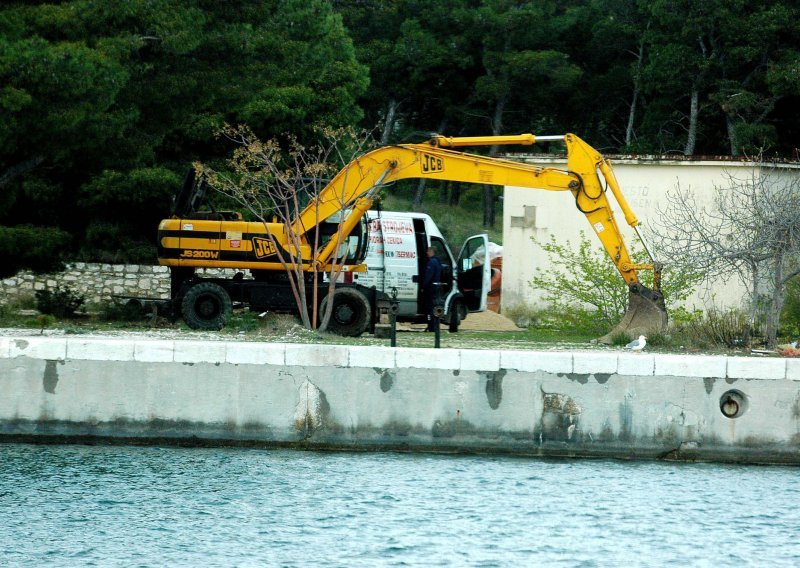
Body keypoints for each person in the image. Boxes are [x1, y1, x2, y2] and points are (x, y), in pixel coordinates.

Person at [422, 246, 442, 331]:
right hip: (436, 288)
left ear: (431, 252)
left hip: (430, 288)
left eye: (428, 251)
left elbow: (428, 277)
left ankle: (431, 326)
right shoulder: (438, 262)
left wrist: (423, 286)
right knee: (435, 307)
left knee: (429, 307)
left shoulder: (431, 262)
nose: (427, 253)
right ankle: (435, 325)